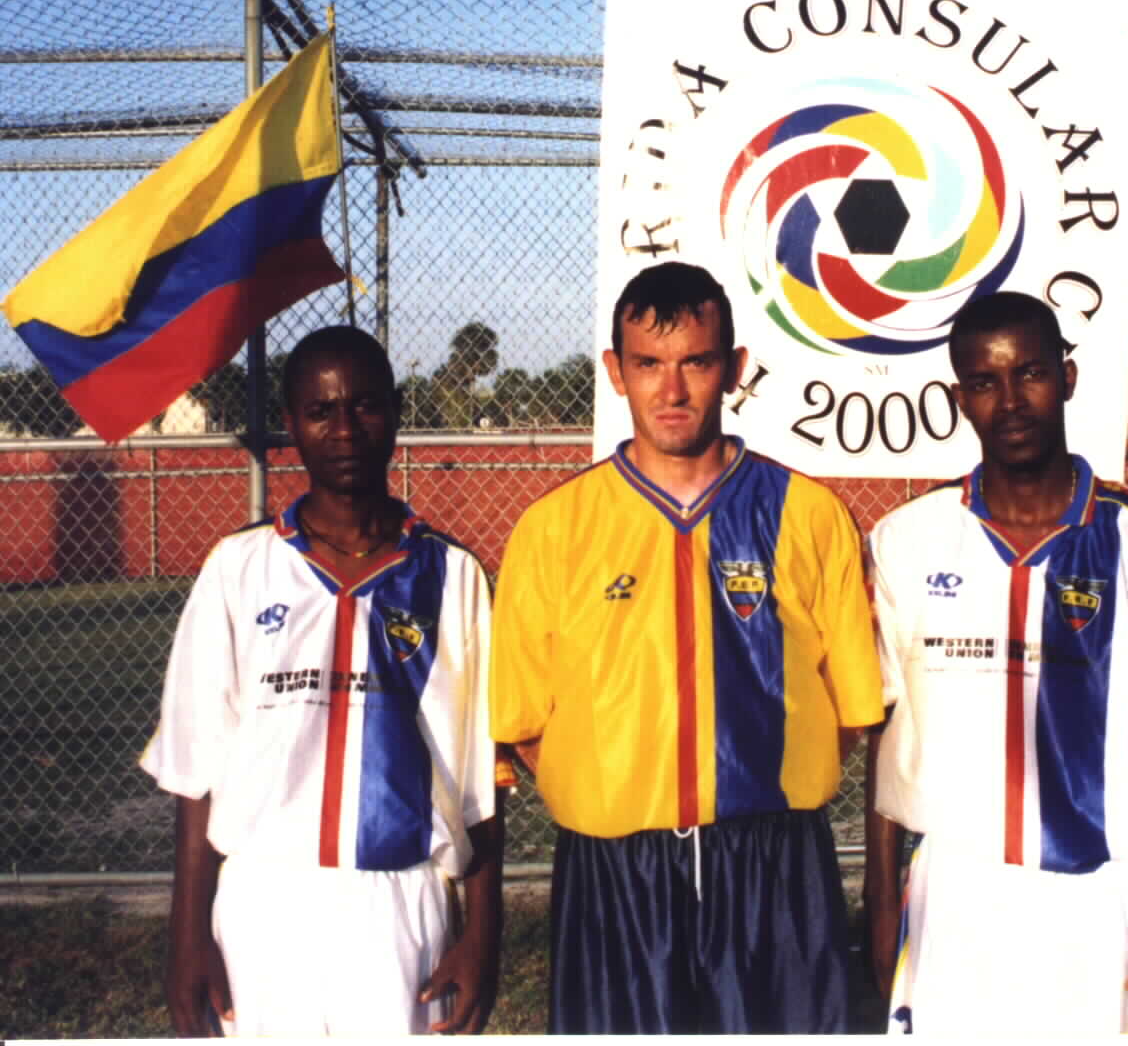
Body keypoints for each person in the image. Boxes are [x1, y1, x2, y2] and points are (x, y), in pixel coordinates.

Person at [490, 261, 885, 1033]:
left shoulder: (808, 514)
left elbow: (848, 708)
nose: (671, 391)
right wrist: (619, 786)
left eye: (696, 362)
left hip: (772, 861)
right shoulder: (554, 529)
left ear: (733, 369)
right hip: (617, 871)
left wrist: (753, 780)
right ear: (615, 371)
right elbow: (526, 721)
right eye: (648, 364)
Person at [863, 292, 1128, 1035]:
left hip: (1101, 890)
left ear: (1067, 378)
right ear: (957, 397)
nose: (1010, 401)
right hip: (957, 891)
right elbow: (885, 732)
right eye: (983, 381)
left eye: (1030, 372)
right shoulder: (907, 540)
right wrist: (881, 908)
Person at [140, 326, 505, 1036]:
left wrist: (482, 936)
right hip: (263, 901)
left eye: (365, 406)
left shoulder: (453, 576)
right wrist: (187, 933)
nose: (344, 429)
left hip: (403, 901)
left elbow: (481, 789)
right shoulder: (237, 569)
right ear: (291, 425)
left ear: (396, 413)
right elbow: (195, 772)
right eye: (320, 411)